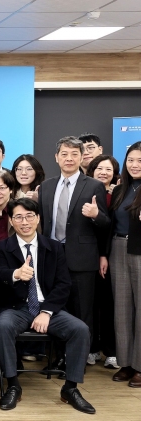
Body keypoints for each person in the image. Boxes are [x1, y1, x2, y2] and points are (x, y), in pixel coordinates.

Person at [0, 197, 94, 414]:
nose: (24, 222)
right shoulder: (1, 248)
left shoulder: (54, 247)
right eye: (19, 217)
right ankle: (13, 385)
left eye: (29, 216)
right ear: (11, 221)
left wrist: (46, 312)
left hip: (48, 308)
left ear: (38, 219)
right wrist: (16, 274)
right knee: (2, 327)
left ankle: (70, 388)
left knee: (80, 329)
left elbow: (63, 284)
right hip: (16, 308)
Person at [38, 136, 110, 349]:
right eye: (64, 154)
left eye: (74, 154)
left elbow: (106, 223)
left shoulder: (94, 186)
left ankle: (81, 357)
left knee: (82, 310)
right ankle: (59, 355)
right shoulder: (46, 186)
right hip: (51, 255)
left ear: (81, 157)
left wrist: (96, 215)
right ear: (56, 157)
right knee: (54, 308)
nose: (69, 158)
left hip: (82, 258)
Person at [107, 142, 141, 386]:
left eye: (140, 161)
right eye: (131, 160)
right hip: (118, 248)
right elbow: (110, 223)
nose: (135, 165)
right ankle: (126, 363)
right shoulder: (120, 189)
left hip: (140, 250)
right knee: (122, 309)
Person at [85, 154, 120, 369]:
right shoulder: (86, 191)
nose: (103, 172)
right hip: (89, 254)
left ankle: (111, 351)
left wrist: (104, 254)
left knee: (109, 304)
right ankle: (92, 348)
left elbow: (111, 227)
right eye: (99, 168)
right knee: (91, 303)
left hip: (112, 254)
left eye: (108, 169)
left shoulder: (118, 194)